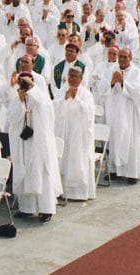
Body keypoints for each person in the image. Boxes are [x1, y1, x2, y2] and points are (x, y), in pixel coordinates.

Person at [7, 72, 61, 222]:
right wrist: (20, 101)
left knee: (42, 173)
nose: (24, 85)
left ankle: (46, 209)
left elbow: (40, 106)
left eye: (28, 81)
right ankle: (26, 208)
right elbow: (12, 117)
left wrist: (31, 88)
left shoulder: (43, 99)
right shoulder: (17, 98)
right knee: (24, 171)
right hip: (23, 143)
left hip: (39, 144)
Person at [106, 47, 140, 184]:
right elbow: (103, 88)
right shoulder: (113, 69)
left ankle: (132, 173)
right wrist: (111, 83)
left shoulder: (137, 73)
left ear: (130, 58)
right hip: (116, 111)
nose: (122, 59)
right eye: (120, 56)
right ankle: (115, 170)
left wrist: (123, 82)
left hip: (131, 113)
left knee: (131, 142)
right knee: (115, 139)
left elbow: (139, 93)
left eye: (125, 56)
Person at [53, 66, 96, 201]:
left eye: (75, 76)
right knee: (64, 158)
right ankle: (63, 191)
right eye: (70, 76)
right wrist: (65, 99)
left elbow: (88, 112)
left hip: (79, 133)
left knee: (78, 160)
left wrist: (76, 98)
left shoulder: (86, 94)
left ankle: (78, 193)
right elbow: (54, 108)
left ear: (81, 79)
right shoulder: (62, 91)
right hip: (65, 130)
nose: (71, 79)